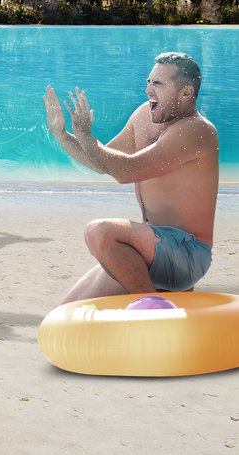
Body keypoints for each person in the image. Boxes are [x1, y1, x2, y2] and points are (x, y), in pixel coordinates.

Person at [44, 52, 219, 295]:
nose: (149, 90)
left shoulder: (196, 130)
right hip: (149, 249)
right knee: (68, 310)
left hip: (186, 254)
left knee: (100, 231)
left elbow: (127, 171)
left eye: (157, 83)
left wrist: (86, 136)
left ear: (186, 92)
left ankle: (150, 307)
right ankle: (155, 301)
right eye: (148, 82)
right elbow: (102, 162)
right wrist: (62, 134)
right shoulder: (144, 116)